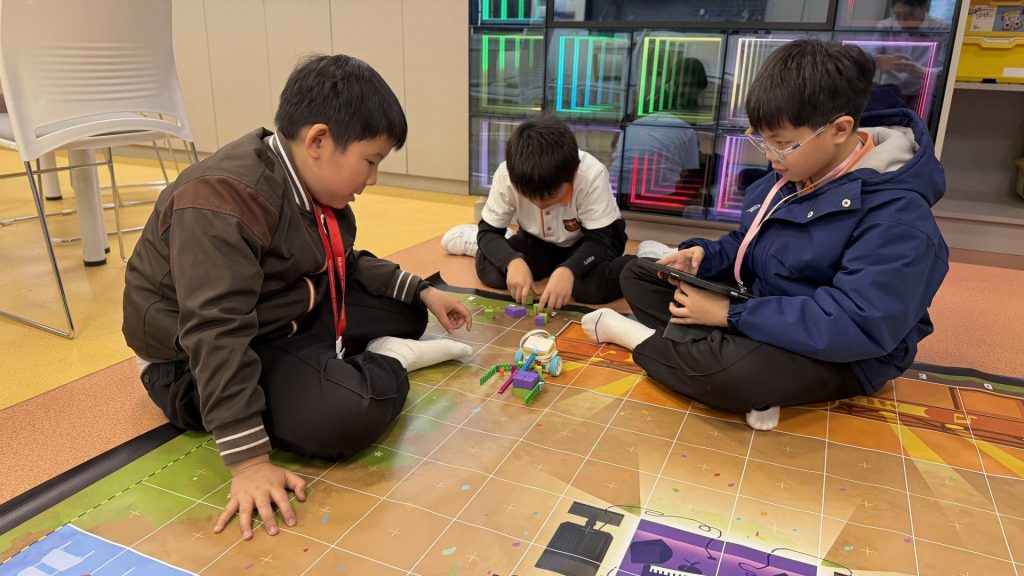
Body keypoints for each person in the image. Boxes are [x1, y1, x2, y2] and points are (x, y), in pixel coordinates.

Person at [123, 55, 474, 540]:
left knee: (408, 311)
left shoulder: (308, 184)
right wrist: (249, 464)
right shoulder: (224, 199)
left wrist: (423, 290)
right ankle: (388, 361)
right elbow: (216, 331)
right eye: (371, 161)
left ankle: (336, 359)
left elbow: (343, 261)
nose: (373, 178)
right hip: (191, 362)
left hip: (281, 314)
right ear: (318, 141)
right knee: (350, 412)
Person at [582, 39, 949, 431]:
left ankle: (640, 339)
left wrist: (729, 314)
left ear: (840, 129)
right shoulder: (797, 173)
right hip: (765, 308)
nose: (770, 155)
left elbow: (856, 323)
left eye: (782, 143)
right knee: (640, 275)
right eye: (762, 139)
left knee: (731, 376)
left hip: (846, 352)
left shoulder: (897, 215)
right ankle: (728, 357)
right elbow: (752, 243)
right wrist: (704, 256)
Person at [441, 116, 634, 311]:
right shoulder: (507, 174)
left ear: (573, 174)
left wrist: (570, 270)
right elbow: (488, 232)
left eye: (550, 196)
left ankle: (644, 262)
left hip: (591, 243)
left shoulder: (591, 174)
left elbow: (599, 242)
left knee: (590, 289)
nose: (540, 205)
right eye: (530, 197)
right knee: (491, 272)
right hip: (539, 240)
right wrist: (512, 261)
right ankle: (496, 244)